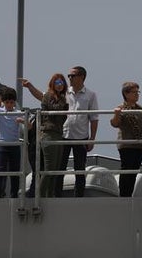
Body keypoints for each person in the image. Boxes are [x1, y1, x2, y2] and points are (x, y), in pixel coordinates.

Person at [22, 73, 69, 198]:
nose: (60, 85)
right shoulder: (49, 96)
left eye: (62, 83)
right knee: (49, 169)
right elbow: (55, 111)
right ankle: (41, 196)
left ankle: (50, 194)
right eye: (57, 83)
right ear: (53, 84)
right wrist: (65, 103)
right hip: (48, 134)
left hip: (58, 134)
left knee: (56, 169)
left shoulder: (63, 98)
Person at [63, 65, 99, 197]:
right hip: (64, 135)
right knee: (59, 168)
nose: (70, 78)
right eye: (69, 76)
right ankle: (55, 195)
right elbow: (45, 97)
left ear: (81, 77)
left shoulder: (90, 95)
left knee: (80, 168)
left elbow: (94, 118)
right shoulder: (64, 92)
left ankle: (79, 196)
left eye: (72, 76)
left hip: (81, 136)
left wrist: (92, 139)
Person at [110, 81, 142, 197]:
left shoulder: (139, 109)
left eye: (138, 92)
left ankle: (128, 194)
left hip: (139, 146)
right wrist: (117, 114)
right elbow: (115, 123)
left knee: (134, 172)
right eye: (134, 92)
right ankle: (123, 196)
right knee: (127, 171)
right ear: (126, 94)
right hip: (127, 145)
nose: (137, 94)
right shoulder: (121, 108)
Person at [0, 87, 24, 198]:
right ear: (3, 102)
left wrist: (22, 121)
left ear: (14, 102)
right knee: (0, 171)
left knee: (15, 172)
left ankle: (14, 196)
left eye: (11, 102)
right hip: (2, 145)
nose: (9, 104)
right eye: (7, 102)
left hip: (14, 145)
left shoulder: (18, 113)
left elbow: (29, 126)